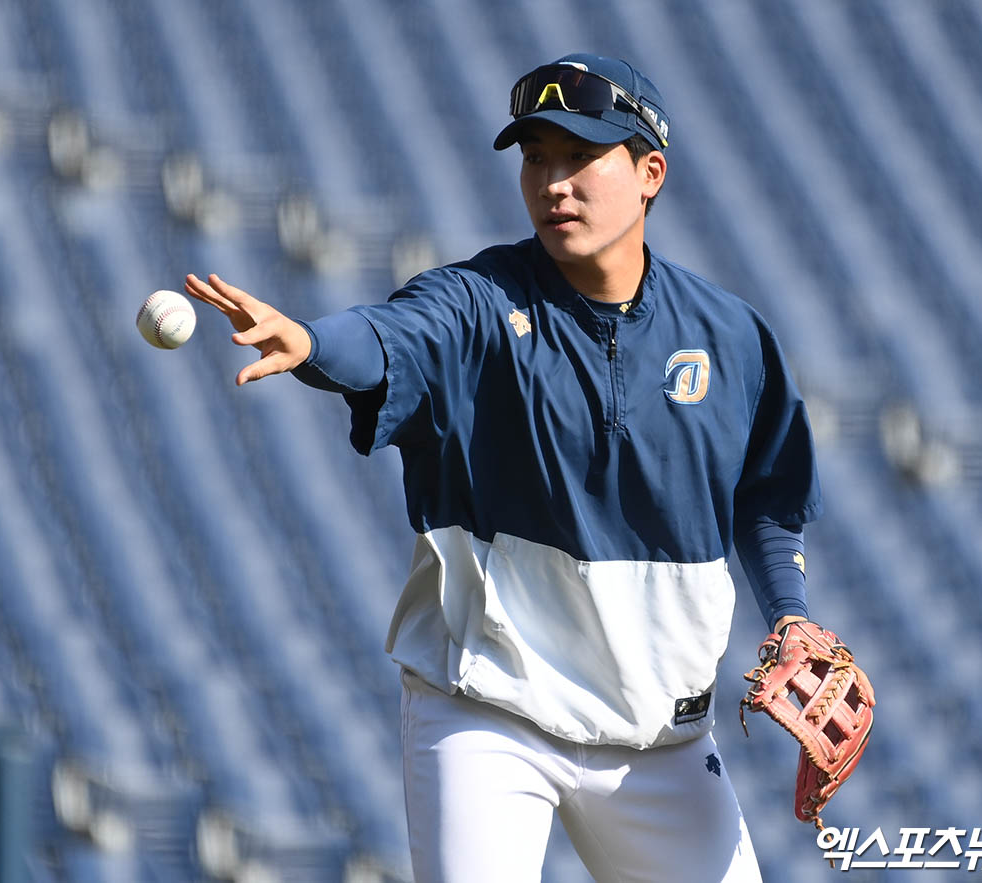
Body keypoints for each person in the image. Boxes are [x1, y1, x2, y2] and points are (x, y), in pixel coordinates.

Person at [186, 53, 822, 883]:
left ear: (649, 173)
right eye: (535, 157)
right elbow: (389, 337)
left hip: (657, 740)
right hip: (490, 712)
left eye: (580, 156)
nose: (553, 181)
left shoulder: (731, 336)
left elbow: (767, 497)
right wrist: (312, 344)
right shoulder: (480, 303)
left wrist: (791, 613)